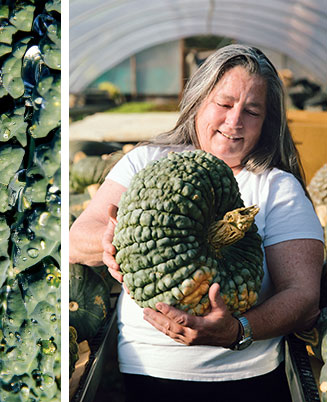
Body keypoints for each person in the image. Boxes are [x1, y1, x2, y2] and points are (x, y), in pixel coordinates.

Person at [69, 44, 324, 402]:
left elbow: (303, 299)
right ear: (198, 101)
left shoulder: (276, 186)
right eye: (224, 104)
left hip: (245, 380)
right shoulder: (146, 161)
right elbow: (77, 238)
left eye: (252, 111)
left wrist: (238, 330)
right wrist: (114, 237)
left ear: (267, 123)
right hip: (147, 374)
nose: (235, 122)